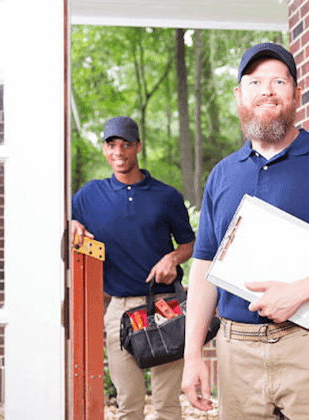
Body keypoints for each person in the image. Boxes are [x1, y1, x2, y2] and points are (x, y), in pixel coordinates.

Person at [181, 43, 309, 420]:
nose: (267, 90)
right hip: (236, 351)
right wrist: (192, 353)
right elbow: (204, 266)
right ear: (239, 95)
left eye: (279, 80)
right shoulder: (222, 176)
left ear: (296, 93)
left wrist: (297, 293)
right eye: (255, 81)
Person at [71, 116, 195, 420]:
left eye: (126, 144)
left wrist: (172, 259)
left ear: (137, 147)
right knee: (129, 406)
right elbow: (65, 223)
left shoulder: (166, 196)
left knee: (167, 405)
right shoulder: (89, 196)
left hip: (165, 306)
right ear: (104, 149)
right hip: (120, 311)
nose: (118, 151)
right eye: (111, 144)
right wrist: (73, 223)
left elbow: (190, 244)